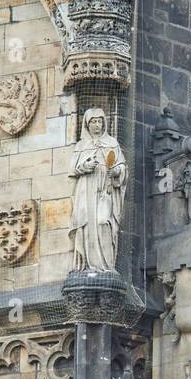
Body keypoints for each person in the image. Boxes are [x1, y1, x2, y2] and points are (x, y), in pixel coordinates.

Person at [68, 107, 127, 272]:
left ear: (104, 123)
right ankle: (87, 265)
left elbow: (122, 166)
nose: (96, 125)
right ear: (87, 125)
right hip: (86, 188)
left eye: (99, 121)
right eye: (93, 122)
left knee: (103, 221)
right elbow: (73, 168)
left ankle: (106, 266)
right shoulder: (81, 145)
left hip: (105, 189)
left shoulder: (112, 143)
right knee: (86, 224)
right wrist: (85, 166)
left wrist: (116, 171)